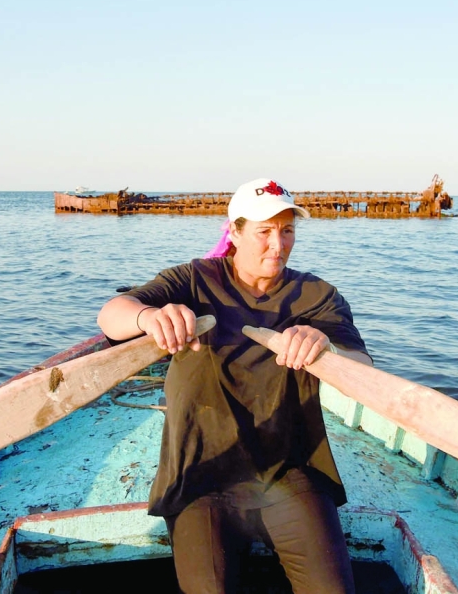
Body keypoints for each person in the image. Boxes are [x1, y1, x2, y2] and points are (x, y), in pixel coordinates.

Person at [97, 178, 372, 594]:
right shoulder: (194, 280)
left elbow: (361, 366)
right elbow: (113, 314)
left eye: (287, 230)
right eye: (264, 231)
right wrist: (148, 319)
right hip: (199, 475)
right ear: (235, 232)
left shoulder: (315, 295)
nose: (277, 245)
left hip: (289, 471)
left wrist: (326, 346)